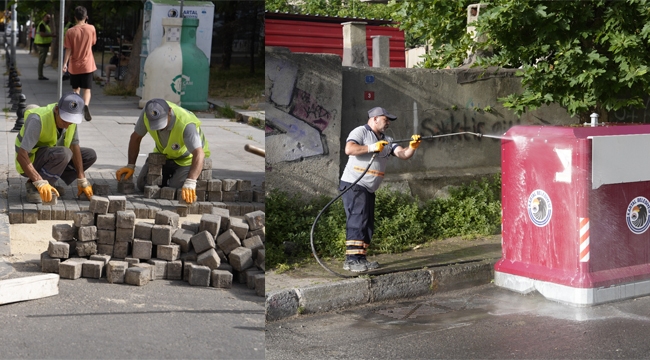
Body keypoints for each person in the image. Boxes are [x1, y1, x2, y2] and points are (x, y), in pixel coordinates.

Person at [339, 107, 422, 272]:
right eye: (386, 119)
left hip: (368, 188)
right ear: (375, 118)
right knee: (358, 221)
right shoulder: (361, 132)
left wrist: (413, 146)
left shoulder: (387, 140)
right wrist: (371, 148)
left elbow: (403, 154)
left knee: (366, 223)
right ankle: (352, 260)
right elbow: (349, 149)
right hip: (355, 184)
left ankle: (360, 259)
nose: (388, 123)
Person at [116, 99, 211, 204]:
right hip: (164, 155)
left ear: (169, 111)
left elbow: (199, 153)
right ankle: (165, 179)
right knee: (143, 184)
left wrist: (191, 181)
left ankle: (186, 178)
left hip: (187, 159)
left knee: (175, 189)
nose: (159, 129)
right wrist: (130, 165)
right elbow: (135, 138)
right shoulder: (147, 113)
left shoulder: (186, 123)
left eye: (161, 123)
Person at [15, 93, 96, 204]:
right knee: (64, 153)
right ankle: (34, 185)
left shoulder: (71, 121)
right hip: (29, 161)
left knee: (89, 155)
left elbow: (74, 145)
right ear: (57, 110)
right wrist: (39, 182)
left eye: (71, 121)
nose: (68, 125)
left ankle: (48, 182)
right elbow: (21, 155)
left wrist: (81, 179)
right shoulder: (38, 120)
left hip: (53, 155)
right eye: (65, 120)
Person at [63, 6, 96, 121]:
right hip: (87, 65)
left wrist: (65, 64)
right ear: (86, 17)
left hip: (74, 65)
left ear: (75, 18)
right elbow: (93, 42)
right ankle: (86, 105)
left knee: (75, 90)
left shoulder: (70, 31)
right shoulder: (91, 28)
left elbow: (68, 49)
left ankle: (76, 108)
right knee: (87, 89)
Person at [34, 13, 55, 80]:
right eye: (47, 17)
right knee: (41, 61)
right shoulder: (42, 25)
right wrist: (51, 35)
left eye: (49, 18)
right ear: (43, 18)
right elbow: (42, 34)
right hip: (42, 45)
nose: (48, 19)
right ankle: (40, 75)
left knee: (42, 61)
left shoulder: (45, 25)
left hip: (44, 45)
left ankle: (41, 75)